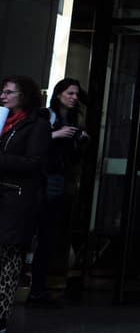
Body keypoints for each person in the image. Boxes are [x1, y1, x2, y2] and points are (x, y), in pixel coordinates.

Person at [27, 78, 90, 308]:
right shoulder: (45, 116)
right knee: (33, 234)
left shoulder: (72, 120)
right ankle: (32, 289)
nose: (74, 97)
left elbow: (71, 159)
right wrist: (56, 135)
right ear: (59, 94)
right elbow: (33, 144)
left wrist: (79, 142)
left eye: (76, 94)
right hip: (41, 182)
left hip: (59, 183)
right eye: (70, 93)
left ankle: (39, 290)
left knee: (48, 237)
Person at [0, 76, 51, 332]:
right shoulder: (4, 123)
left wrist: (2, 159)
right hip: (3, 198)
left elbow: (34, 164)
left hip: (16, 202)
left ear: (24, 96)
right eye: (3, 91)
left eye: (9, 92)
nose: (3, 96)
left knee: (7, 262)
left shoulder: (37, 126)